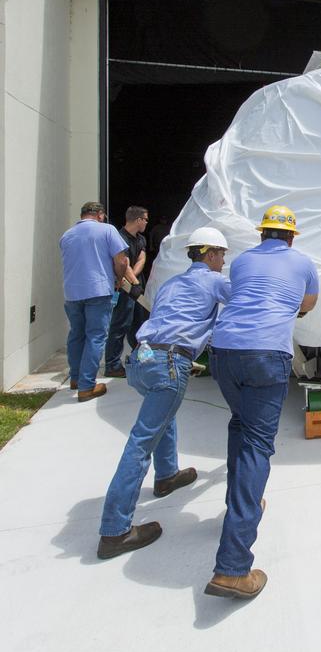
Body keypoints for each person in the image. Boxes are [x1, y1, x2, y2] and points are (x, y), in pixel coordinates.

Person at [206, 204, 319, 600]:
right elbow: (307, 304)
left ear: (262, 234)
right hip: (266, 355)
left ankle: (243, 502)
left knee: (240, 426)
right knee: (257, 446)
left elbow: (243, 294)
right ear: (291, 236)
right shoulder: (303, 263)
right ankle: (233, 568)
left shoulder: (241, 262)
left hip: (222, 353)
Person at [97, 227, 231, 559]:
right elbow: (248, 300)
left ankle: (167, 475)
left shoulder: (172, 284)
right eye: (223, 255)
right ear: (211, 254)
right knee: (141, 442)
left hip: (142, 361)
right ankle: (115, 531)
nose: (224, 262)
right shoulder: (214, 281)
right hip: (170, 363)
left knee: (162, 415)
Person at [60, 201, 129, 403]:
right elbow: (122, 260)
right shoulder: (107, 230)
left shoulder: (67, 235)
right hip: (98, 290)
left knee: (76, 335)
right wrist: (119, 279)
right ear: (100, 215)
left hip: (72, 293)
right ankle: (87, 386)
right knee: (96, 337)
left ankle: (76, 379)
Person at [104, 205, 149, 377]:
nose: (146, 222)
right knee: (120, 325)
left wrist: (136, 282)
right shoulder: (119, 237)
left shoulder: (140, 239)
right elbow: (124, 263)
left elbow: (141, 259)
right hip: (124, 289)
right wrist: (133, 282)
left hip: (135, 287)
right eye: (145, 219)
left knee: (141, 325)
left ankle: (143, 359)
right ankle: (112, 365)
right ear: (138, 220)